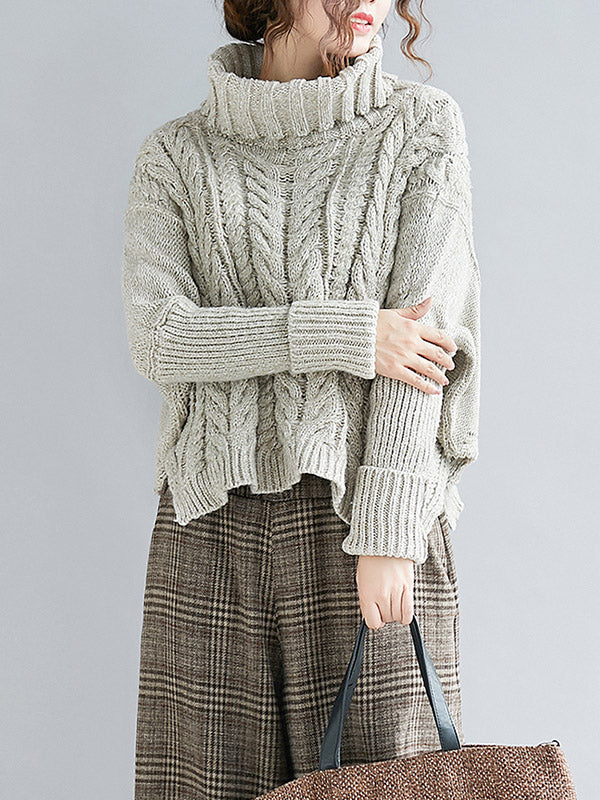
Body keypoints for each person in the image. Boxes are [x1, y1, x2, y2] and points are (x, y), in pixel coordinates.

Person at [121, 1, 481, 797]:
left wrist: (389, 531)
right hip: (208, 526)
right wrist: (347, 333)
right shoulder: (176, 156)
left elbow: (424, 346)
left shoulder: (420, 127)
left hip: (364, 518)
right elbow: (161, 338)